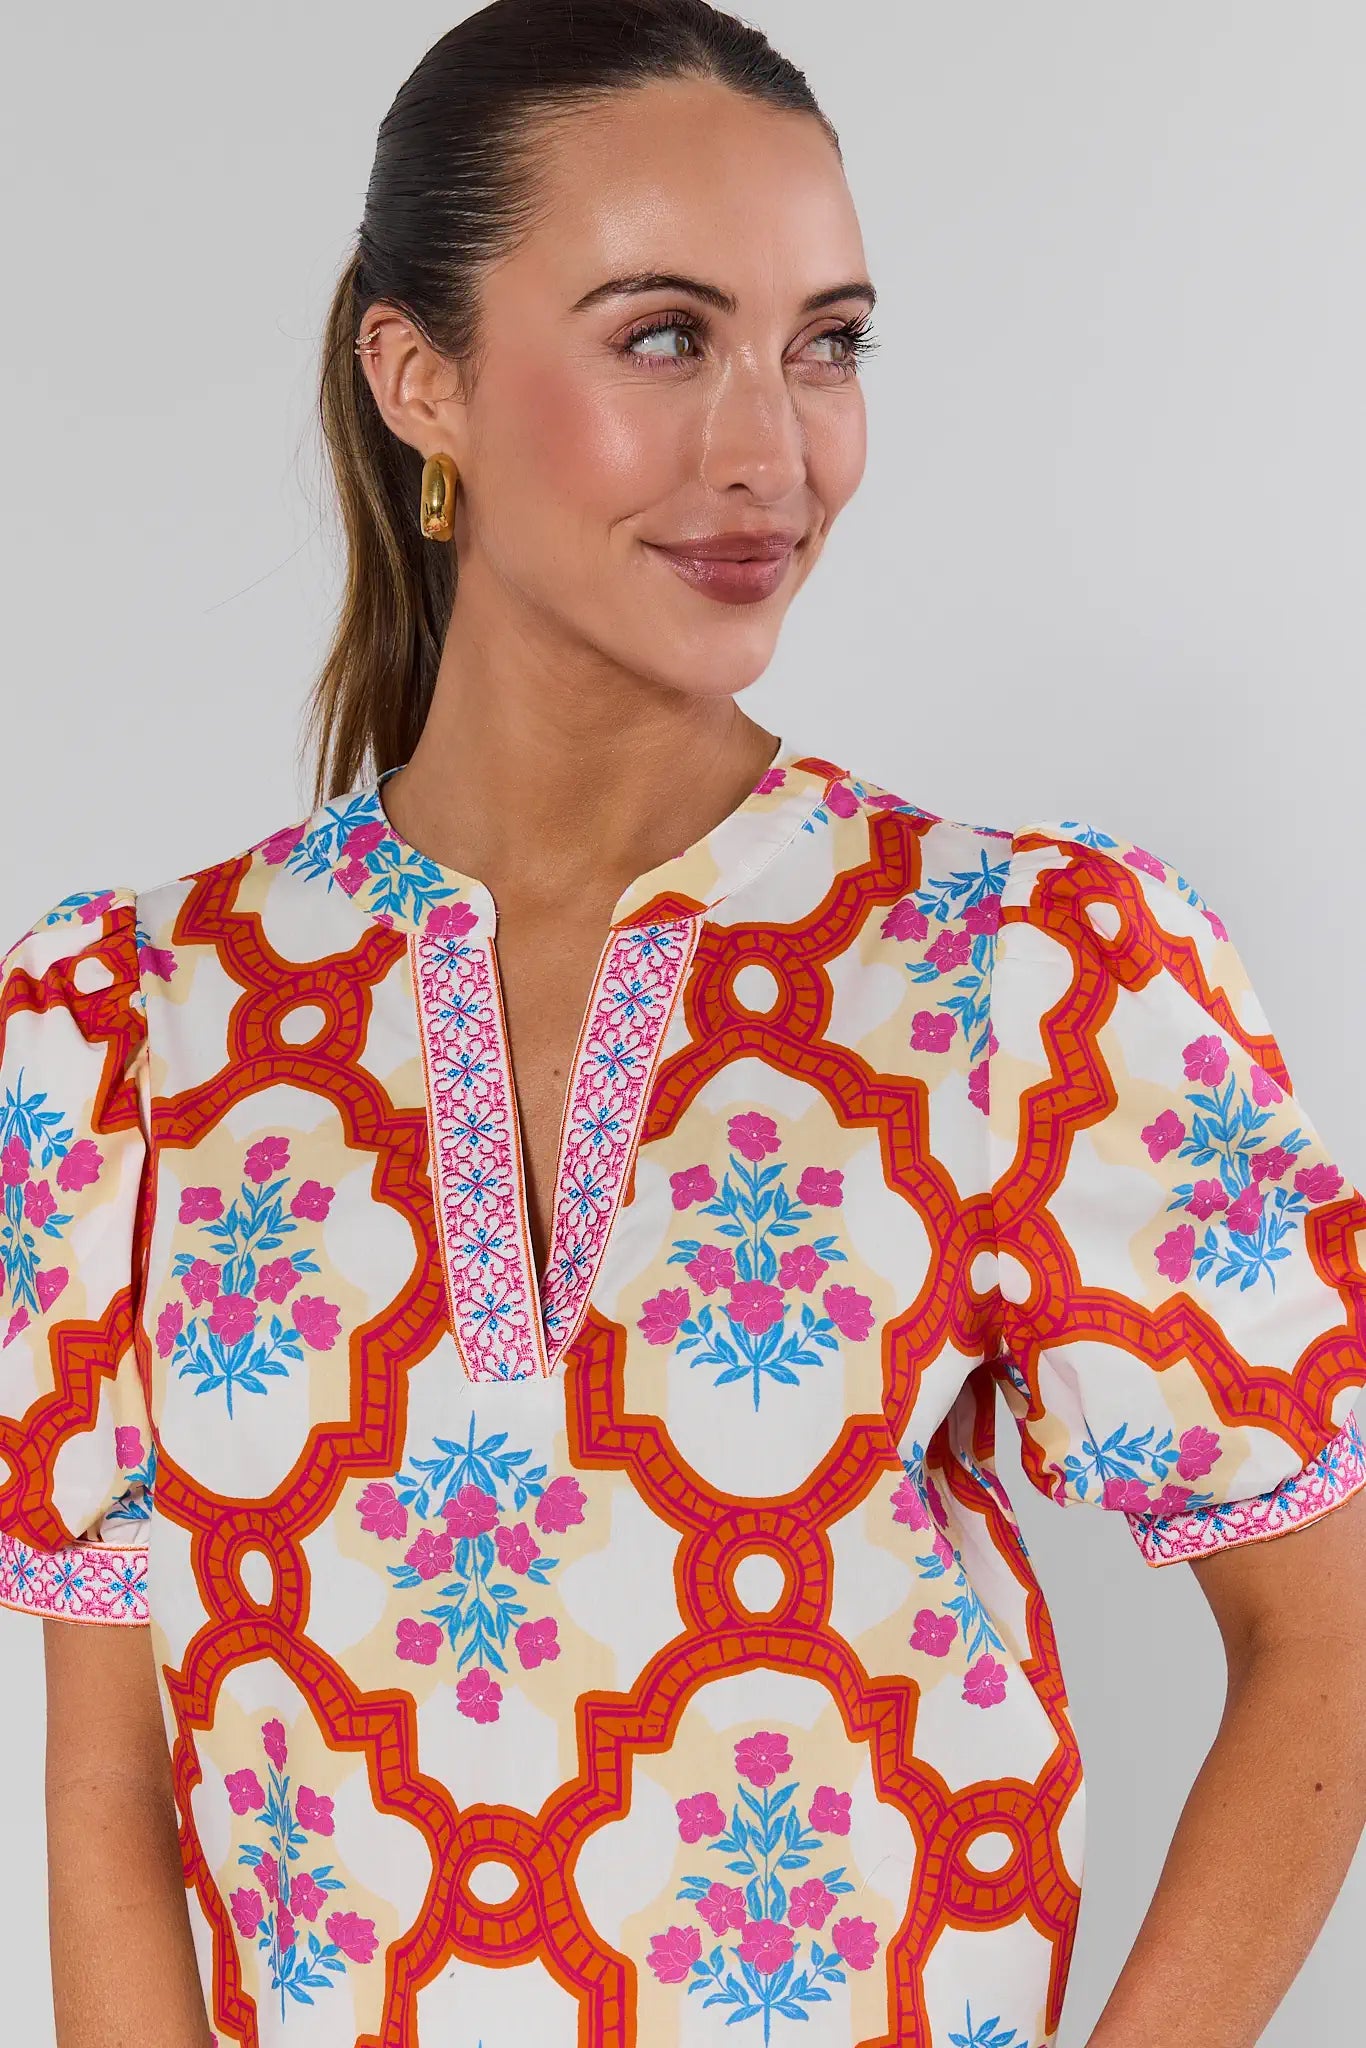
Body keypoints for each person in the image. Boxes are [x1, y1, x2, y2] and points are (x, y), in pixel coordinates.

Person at [3, 3, 1364, 2044]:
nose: (770, 448)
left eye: (825, 343)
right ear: (418, 374)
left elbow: (1325, 1647)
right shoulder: (126, 1028)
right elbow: (114, 1772)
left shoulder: (1014, 971)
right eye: (665, 336)